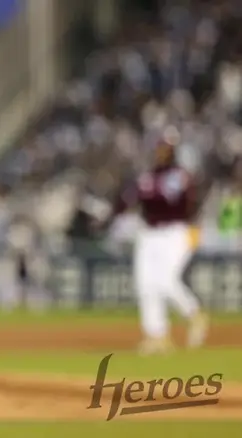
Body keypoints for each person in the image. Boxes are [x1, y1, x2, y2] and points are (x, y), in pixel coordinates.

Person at [105, 132, 208, 355]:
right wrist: (116, 210)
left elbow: (174, 200)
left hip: (175, 231)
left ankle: (194, 314)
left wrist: (145, 192)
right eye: (159, 148)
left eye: (165, 148)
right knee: (145, 284)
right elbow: (128, 200)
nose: (161, 152)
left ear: (172, 151)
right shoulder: (148, 176)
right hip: (149, 233)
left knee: (165, 281)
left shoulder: (179, 175)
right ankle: (157, 336)